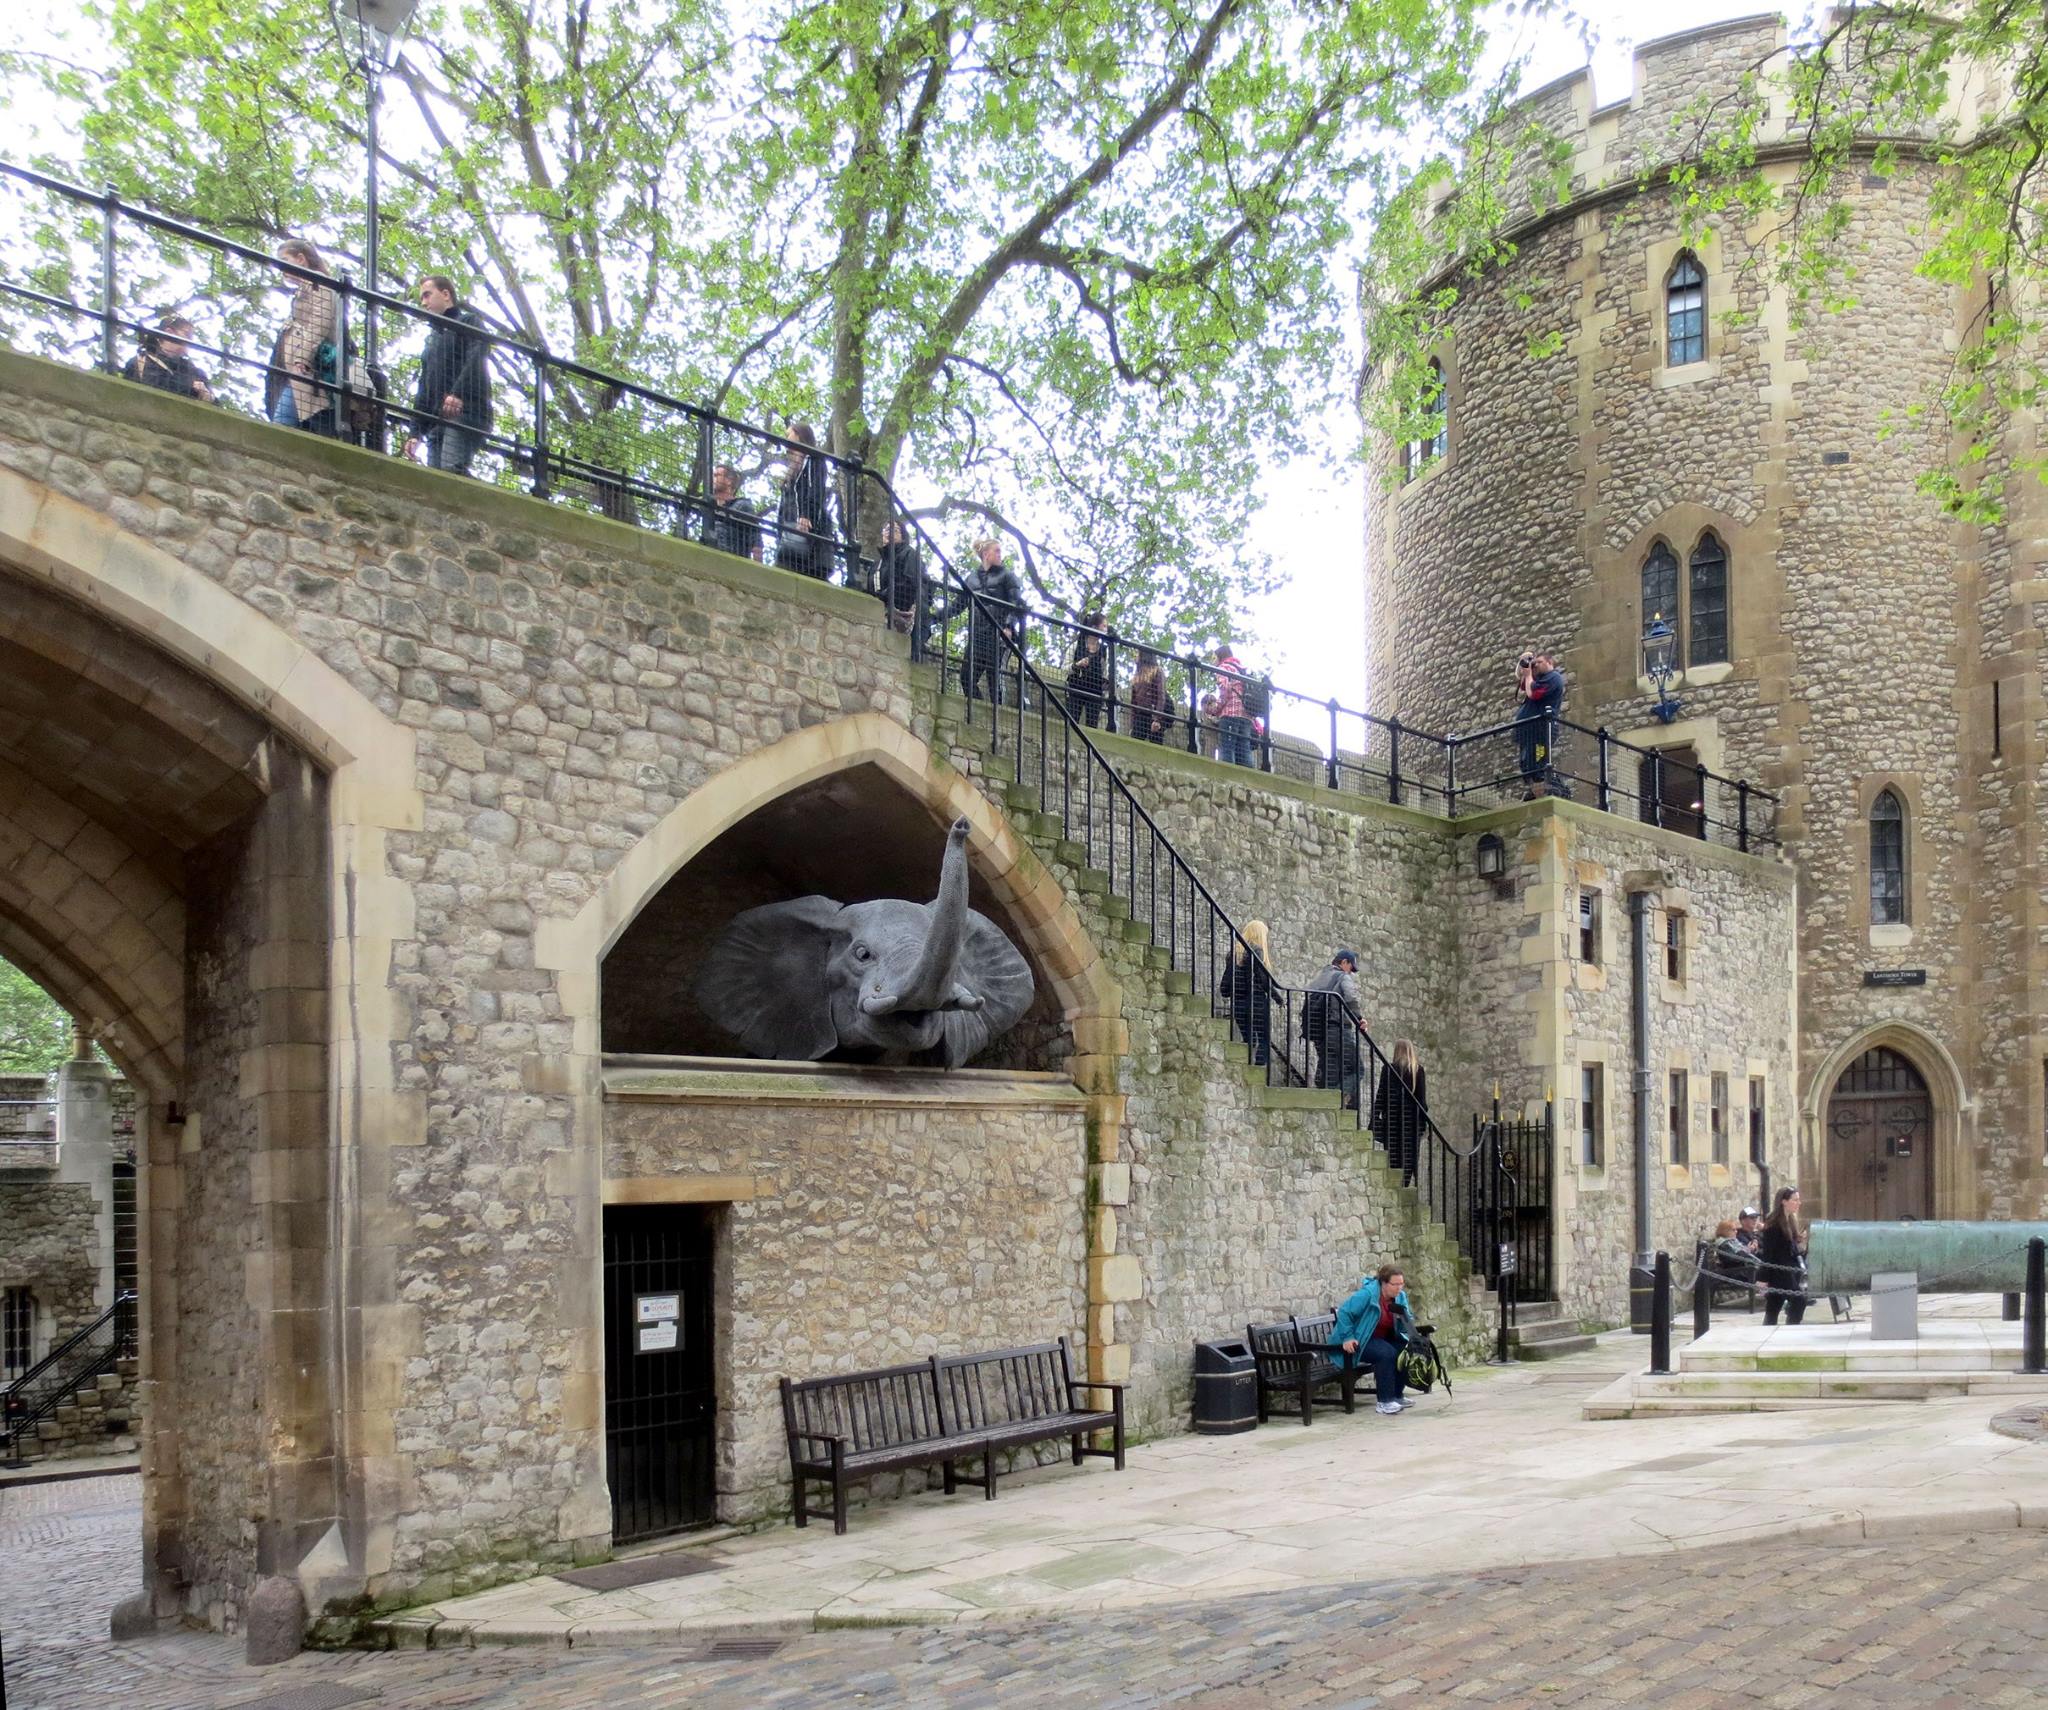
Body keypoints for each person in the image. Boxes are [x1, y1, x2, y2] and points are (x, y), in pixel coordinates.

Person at [405, 274, 493, 476]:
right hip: (438, 421)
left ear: (445, 294)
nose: (424, 303)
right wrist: (415, 433)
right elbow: (424, 389)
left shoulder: (468, 321)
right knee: (435, 480)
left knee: (451, 469)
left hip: (468, 412)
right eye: (422, 299)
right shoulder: (432, 341)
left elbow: (476, 356)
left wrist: (457, 393)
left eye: (427, 295)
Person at [267, 239, 340, 437]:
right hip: (302, 373)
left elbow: (320, 322)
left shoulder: (319, 284)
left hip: (309, 371)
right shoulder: (306, 288)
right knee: (311, 427)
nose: (281, 268)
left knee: (282, 425)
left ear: (300, 259)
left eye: (284, 261)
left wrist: (302, 359)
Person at [1333, 1263, 1416, 1416]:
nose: (1399, 1288)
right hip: (1361, 1339)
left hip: (1383, 1337)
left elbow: (1406, 1320)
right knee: (1386, 1353)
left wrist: (1406, 1322)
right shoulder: (1368, 1295)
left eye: (1401, 1284)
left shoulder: (1400, 1297)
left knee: (1405, 1350)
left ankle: (1397, 1396)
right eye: (1395, 1284)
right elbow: (1344, 1313)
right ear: (1384, 1283)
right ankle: (1384, 1402)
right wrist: (1347, 1337)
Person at [953, 538, 1023, 706]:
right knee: (966, 677)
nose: (1000, 554)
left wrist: (1008, 626)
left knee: (994, 677)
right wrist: (934, 617)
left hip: (998, 634)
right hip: (977, 636)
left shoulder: (1007, 575)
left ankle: (997, 715)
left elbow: (1016, 603)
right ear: (986, 554)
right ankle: (979, 709)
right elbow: (957, 606)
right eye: (997, 551)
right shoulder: (971, 579)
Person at [1302, 948, 1367, 1108]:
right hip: (1337, 1028)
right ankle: (1334, 1096)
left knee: (1330, 1070)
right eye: (1351, 968)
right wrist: (1360, 1019)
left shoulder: (1321, 977)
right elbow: (1350, 997)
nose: (1351, 972)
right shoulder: (1342, 976)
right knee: (1358, 1069)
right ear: (1344, 962)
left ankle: (1326, 1098)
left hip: (1319, 1031)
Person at [775, 422, 834, 580]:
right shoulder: (793, 466)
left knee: (809, 569)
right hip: (790, 528)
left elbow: (816, 489)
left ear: (799, 435)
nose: (786, 438)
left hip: (808, 526)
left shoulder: (814, 459)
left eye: (789, 434)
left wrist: (806, 514)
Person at [1369, 1038, 1429, 1183]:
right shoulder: (1417, 1070)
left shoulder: (1388, 1069)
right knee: (1409, 1157)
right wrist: (1424, 1122)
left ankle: (1395, 1185)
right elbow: (1421, 1100)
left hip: (1393, 1120)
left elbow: (1381, 1096)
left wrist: (1374, 1119)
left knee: (1394, 1156)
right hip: (1412, 1123)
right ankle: (1405, 1185)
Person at [1217, 919, 1274, 1067]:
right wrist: (1277, 997)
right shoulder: (1257, 951)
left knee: (1248, 1040)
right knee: (1264, 1039)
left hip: (1238, 1003)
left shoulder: (1234, 953)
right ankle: (1259, 1073)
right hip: (1256, 1002)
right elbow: (1262, 979)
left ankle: (1245, 1070)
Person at [120, 315, 214, 402]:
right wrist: (190, 387)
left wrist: (207, 395)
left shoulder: (196, 372)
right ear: (169, 332)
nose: (189, 343)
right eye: (187, 335)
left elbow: (217, 406)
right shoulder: (139, 362)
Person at [1514, 649, 1565, 799]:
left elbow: (1533, 693)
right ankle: (1536, 789)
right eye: (1534, 663)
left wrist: (1529, 674)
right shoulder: (1538, 679)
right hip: (1529, 729)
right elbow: (1523, 683)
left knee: (1538, 761)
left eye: (1539, 662)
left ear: (1550, 662)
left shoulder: (1553, 678)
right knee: (1527, 762)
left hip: (1541, 730)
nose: (1535, 665)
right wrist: (1523, 663)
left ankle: (1553, 788)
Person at [1758, 1184, 1809, 1326]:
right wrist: (1762, 1278)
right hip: (1780, 1272)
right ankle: (1791, 1329)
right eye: (1795, 1200)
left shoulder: (1790, 1221)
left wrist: (1799, 1242)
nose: (1798, 1203)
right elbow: (1768, 1253)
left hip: (1790, 1269)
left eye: (1798, 1200)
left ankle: (1769, 1331)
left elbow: (1791, 1249)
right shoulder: (1774, 1224)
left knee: (1774, 1306)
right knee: (1799, 1300)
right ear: (1784, 1201)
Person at [700, 463, 763, 562]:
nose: (713, 479)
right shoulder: (710, 507)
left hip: (734, 561)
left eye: (717, 475)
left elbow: (755, 539)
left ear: (729, 481)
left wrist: (759, 571)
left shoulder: (742, 505)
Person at [875, 516, 922, 631]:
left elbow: (909, 583)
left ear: (903, 537)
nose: (888, 532)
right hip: (879, 611)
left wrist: (884, 595)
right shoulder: (877, 564)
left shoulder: (909, 554)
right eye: (886, 530)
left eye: (894, 530)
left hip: (901, 611)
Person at [1213, 645, 1255, 766]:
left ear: (1220, 656)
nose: (1213, 661)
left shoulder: (1223, 667)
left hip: (1230, 714)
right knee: (1244, 750)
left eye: (1214, 657)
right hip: (1246, 715)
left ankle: (1228, 779)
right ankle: (1247, 780)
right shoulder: (1241, 668)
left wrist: (1216, 709)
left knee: (1227, 748)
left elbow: (1225, 689)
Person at [1065, 613, 1108, 727]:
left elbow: (1105, 672)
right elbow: (1064, 668)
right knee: (1071, 722)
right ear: (1094, 627)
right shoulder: (1076, 645)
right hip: (1076, 689)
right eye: (1104, 626)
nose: (1106, 629)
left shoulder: (1104, 651)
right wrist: (1077, 665)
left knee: (1092, 725)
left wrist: (1105, 683)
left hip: (1095, 692)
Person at [1129, 648, 1172, 743]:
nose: (1136, 656)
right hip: (1141, 714)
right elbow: (1133, 701)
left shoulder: (1157, 671)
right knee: (1135, 742)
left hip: (1153, 713)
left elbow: (1161, 696)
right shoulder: (1137, 674)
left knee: (1156, 742)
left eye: (1138, 653)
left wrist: (1157, 719)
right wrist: (1132, 724)